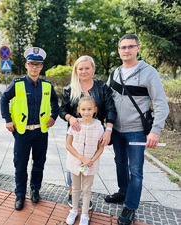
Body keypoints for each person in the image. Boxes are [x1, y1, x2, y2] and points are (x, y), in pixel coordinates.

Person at [105, 34, 169, 225]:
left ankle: (130, 207)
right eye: (123, 47)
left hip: (136, 131)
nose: (126, 50)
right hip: (116, 130)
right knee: (119, 163)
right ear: (119, 50)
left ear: (137, 48)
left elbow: (160, 103)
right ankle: (123, 192)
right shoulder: (115, 73)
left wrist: (156, 130)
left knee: (136, 170)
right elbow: (107, 100)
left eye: (130, 47)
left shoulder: (149, 73)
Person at [0, 47, 59, 211]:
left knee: (39, 162)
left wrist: (54, 116)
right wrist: (8, 120)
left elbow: (55, 102)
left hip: (41, 132)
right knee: (20, 165)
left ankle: (35, 189)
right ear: (26, 65)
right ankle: (19, 194)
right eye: (32, 64)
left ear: (41, 67)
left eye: (38, 64)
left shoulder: (47, 85)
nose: (34, 67)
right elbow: (4, 99)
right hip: (22, 132)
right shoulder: (17, 84)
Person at [59, 55, 117, 208]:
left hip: (94, 131)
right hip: (75, 131)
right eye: (80, 68)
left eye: (87, 68)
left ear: (93, 69)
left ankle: (85, 192)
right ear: (76, 71)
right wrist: (70, 118)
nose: (84, 71)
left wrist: (108, 130)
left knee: (90, 161)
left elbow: (111, 109)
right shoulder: (69, 88)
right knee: (73, 162)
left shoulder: (102, 87)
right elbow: (62, 110)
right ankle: (72, 191)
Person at [65, 96, 105, 225]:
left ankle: (85, 214)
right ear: (78, 110)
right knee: (75, 188)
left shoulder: (98, 126)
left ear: (95, 110)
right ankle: (74, 210)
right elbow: (68, 145)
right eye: (83, 109)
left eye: (89, 109)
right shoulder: (75, 124)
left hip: (90, 164)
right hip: (75, 162)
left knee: (87, 190)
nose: (86, 112)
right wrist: (82, 158)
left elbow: (100, 148)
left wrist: (91, 160)